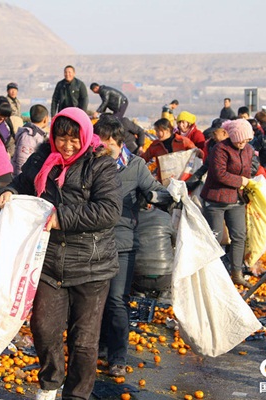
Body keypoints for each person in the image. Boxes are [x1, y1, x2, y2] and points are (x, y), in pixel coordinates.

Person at [0, 107, 122, 400]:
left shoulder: (100, 165)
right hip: (49, 262)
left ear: (85, 136)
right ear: (52, 136)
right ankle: (51, 382)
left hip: (91, 266)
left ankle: (77, 394)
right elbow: (23, 183)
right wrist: (10, 192)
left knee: (83, 341)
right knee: (43, 329)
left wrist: (60, 218)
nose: (67, 145)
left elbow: (109, 210)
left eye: (74, 139)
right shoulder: (43, 158)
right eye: (61, 138)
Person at [94, 117, 170, 377]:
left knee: (117, 300)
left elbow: (157, 191)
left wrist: (161, 196)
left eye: (107, 144)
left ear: (118, 141)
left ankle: (118, 356)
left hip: (122, 241)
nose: (101, 148)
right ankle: (99, 347)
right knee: (95, 300)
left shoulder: (136, 166)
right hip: (92, 242)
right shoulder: (91, 163)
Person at [200, 119, 254, 288]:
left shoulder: (248, 150)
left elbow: (250, 169)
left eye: (246, 141)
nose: (242, 143)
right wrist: (241, 181)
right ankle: (212, 274)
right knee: (214, 237)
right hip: (216, 199)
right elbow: (219, 174)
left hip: (236, 199)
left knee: (239, 236)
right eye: (240, 140)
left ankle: (236, 273)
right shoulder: (220, 149)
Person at [141, 118, 198, 182]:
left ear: (167, 130)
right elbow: (143, 159)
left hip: (182, 180)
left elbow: (197, 152)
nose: (156, 134)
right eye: (156, 131)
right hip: (164, 181)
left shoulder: (182, 141)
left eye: (158, 131)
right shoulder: (155, 146)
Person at [11, 104, 49, 176]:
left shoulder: (39, 134)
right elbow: (22, 160)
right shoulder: (29, 136)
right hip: (23, 178)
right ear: (45, 119)